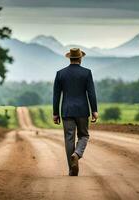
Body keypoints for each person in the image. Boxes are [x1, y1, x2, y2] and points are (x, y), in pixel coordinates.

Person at [53, 48, 98, 176]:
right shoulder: (87, 73)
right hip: (82, 110)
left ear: (70, 58)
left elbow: (56, 96)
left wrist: (55, 113)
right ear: (80, 58)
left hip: (66, 111)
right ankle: (77, 154)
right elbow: (91, 94)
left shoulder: (60, 74)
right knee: (84, 135)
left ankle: (72, 169)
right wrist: (94, 110)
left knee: (69, 139)